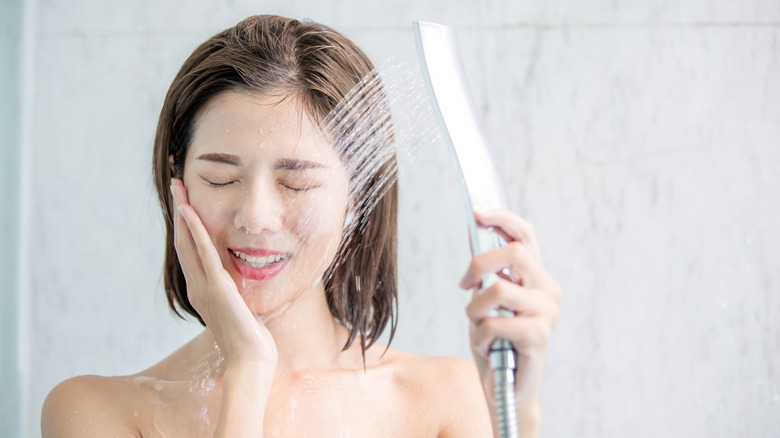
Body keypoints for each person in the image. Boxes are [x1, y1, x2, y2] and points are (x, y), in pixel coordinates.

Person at [41, 15, 560, 437]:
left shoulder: (449, 402)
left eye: (296, 183)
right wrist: (247, 371)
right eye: (221, 179)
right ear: (177, 182)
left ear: (357, 196)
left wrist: (521, 412)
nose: (255, 217)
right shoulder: (98, 412)